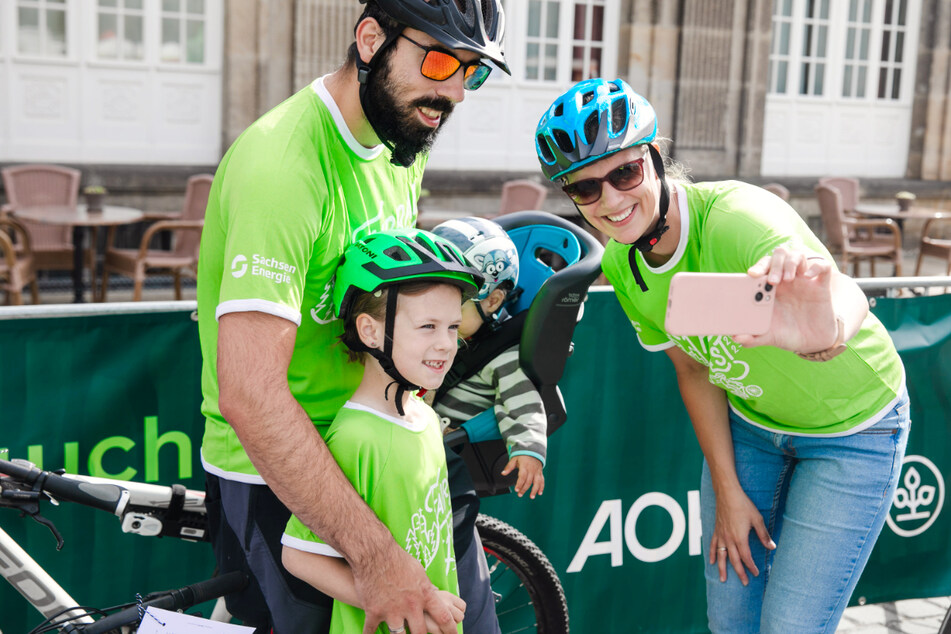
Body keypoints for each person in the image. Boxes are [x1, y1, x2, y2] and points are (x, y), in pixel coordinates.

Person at [534, 78, 909, 632]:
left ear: (655, 158)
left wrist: (826, 333)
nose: (610, 200)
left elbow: (845, 293)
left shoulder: (739, 219)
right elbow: (693, 368)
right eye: (585, 189)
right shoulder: (621, 264)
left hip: (853, 431)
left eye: (624, 172)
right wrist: (728, 492)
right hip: (753, 429)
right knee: (730, 621)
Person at [195, 1, 509, 632]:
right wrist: (376, 558)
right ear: (371, 39)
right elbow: (250, 396)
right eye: (441, 59)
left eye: (471, 72)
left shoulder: (402, 138)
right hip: (288, 479)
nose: (453, 92)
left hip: (384, 443)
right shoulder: (282, 167)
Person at [281, 229, 483, 634]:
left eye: (452, 327)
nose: (446, 344)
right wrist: (400, 600)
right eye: (427, 326)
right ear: (370, 331)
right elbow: (299, 555)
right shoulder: (357, 435)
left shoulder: (424, 419)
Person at [431, 217, 547, 499]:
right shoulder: (446, 335)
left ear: (492, 301)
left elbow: (523, 403)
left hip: (447, 455)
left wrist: (528, 449)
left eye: (454, 304)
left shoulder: (502, 357)